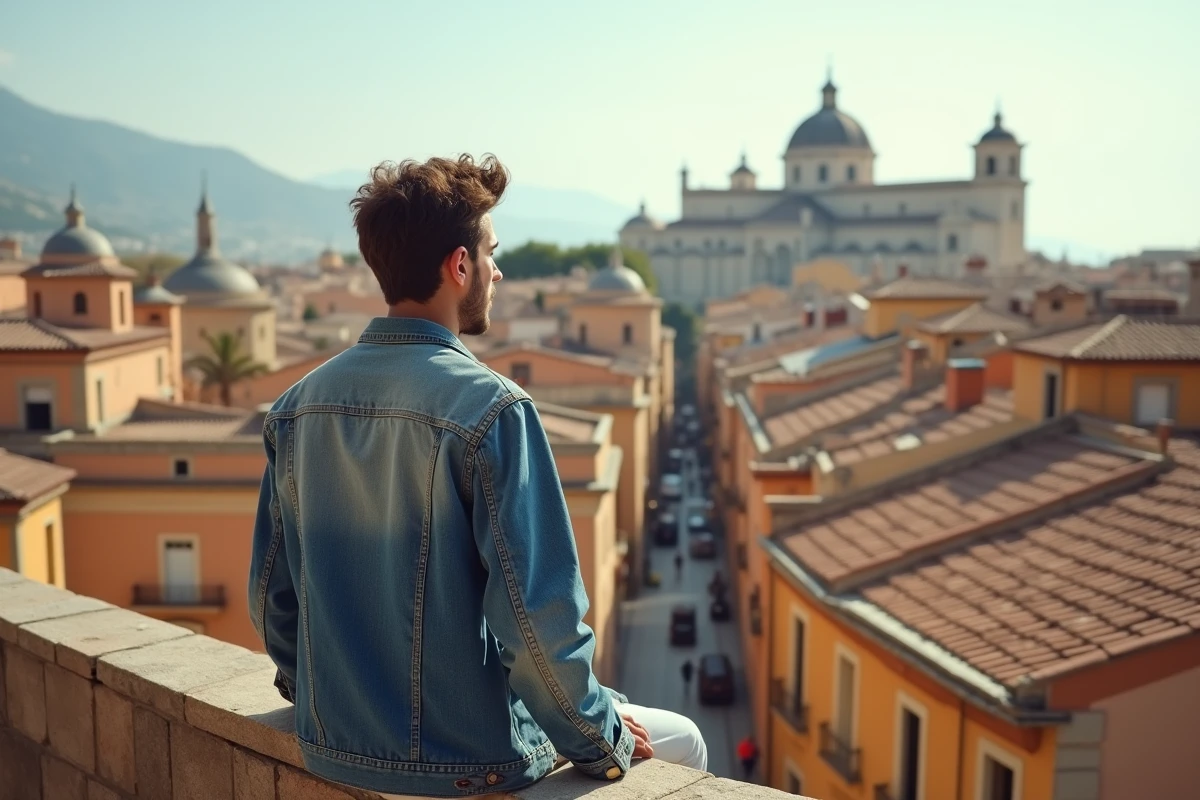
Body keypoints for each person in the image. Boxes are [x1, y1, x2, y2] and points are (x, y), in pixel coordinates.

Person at [249, 156, 707, 798]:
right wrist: (600, 735)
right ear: (458, 266)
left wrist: (329, 709)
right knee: (683, 739)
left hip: (336, 747)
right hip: (469, 759)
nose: (498, 270)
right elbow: (537, 621)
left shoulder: (297, 405)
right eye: (491, 252)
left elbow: (272, 597)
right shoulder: (493, 409)